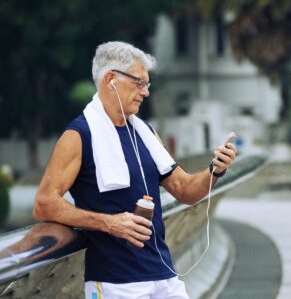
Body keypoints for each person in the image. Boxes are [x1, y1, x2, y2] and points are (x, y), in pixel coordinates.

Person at [33, 41, 236, 299]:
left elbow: (185, 190)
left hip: (163, 274)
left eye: (147, 84)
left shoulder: (146, 133)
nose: (145, 92)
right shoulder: (78, 136)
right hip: (115, 282)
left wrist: (215, 169)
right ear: (111, 80)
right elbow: (44, 203)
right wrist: (109, 223)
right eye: (139, 83)